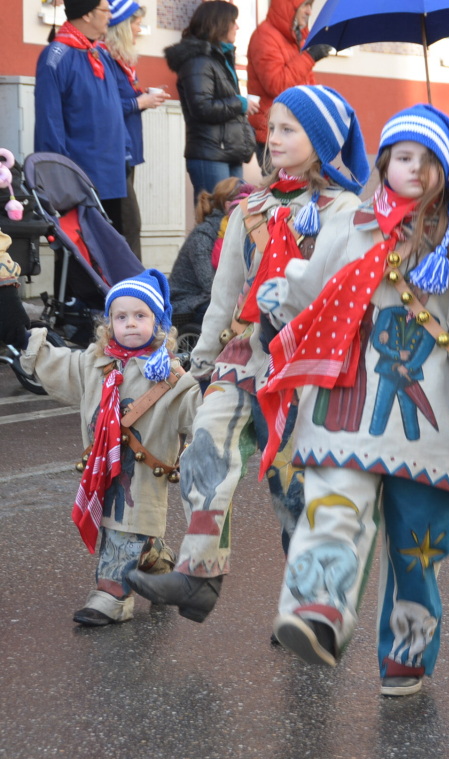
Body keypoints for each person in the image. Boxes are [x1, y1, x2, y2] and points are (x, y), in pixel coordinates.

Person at [253, 104, 449, 691]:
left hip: (426, 419)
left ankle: (407, 651)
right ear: (383, 163)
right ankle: (318, 610)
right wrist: (279, 313)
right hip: (346, 399)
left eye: (429, 160)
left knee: (418, 546)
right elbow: (312, 283)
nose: (414, 169)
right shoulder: (351, 226)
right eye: (403, 157)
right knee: (332, 506)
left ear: (447, 172)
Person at [126, 85, 370, 624]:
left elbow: (340, 293)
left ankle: (309, 605)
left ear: (323, 142)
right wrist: (202, 361)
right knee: (205, 451)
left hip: (301, 367)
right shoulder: (249, 210)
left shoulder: (344, 211)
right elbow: (223, 295)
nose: (273, 138)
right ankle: (198, 575)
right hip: (241, 356)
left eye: (289, 129)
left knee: (293, 487)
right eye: (272, 128)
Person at [17, 269, 200, 626]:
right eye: (121, 316)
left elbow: (200, 411)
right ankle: (157, 563)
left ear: (158, 322)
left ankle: (112, 596)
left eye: (140, 316)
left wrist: (215, 392)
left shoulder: (173, 378)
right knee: (118, 527)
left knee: (125, 528)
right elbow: (59, 365)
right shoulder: (95, 364)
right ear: (109, 324)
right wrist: (25, 340)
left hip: (143, 477)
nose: (130, 323)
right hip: (102, 472)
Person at [34, 0, 131, 236]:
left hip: (111, 174)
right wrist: (59, 176)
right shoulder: (56, 56)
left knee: (111, 253)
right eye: (104, 10)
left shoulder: (99, 53)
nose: (110, 15)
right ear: (87, 15)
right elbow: (49, 122)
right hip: (79, 178)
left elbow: (112, 110)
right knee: (81, 258)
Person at [165, 0, 257, 204]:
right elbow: (202, 107)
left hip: (228, 152)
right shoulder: (199, 61)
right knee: (213, 221)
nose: (237, 27)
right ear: (219, 23)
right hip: (210, 154)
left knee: (232, 220)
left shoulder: (219, 58)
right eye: (233, 21)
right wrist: (240, 103)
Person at [105, 0, 167, 260]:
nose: (140, 30)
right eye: (137, 24)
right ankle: (132, 286)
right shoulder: (105, 59)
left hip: (126, 150)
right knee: (129, 223)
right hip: (114, 152)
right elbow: (103, 106)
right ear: (122, 27)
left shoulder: (120, 61)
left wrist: (143, 100)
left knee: (127, 223)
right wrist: (139, 101)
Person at [247, 0, 333, 166]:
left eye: (310, 6)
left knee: (302, 190)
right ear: (289, 6)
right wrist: (310, 57)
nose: (309, 12)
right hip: (274, 136)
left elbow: (305, 82)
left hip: (296, 131)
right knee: (281, 190)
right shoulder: (265, 36)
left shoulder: (295, 37)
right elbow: (276, 84)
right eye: (305, 5)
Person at [168, 176, 252, 321]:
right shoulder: (204, 234)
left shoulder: (238, 230)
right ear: (228, 205)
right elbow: (209, 284)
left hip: (206, 297)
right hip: (186, 301)